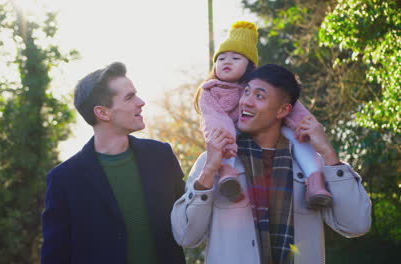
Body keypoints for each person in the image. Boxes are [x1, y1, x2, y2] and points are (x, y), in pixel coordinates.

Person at [171, 64, 371, 263]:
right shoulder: (214, 162)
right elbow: (186, 236)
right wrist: (207, 173)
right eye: (246, 92)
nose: (246, 102)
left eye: (259, 96)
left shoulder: (312, 168)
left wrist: (328, 153)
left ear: (283, 110)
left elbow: (356, 225)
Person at [41, 62, 186, 264]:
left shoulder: (161, 156)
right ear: (103, 113)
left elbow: (189, 218)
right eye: (129, 97)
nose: (141, 102)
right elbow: (55, 256)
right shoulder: (64, 179)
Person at [194, 21, 332, 207]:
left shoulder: (257, 83)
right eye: (221, 58)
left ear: (250, 66)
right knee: (224, 138)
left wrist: (306, 126)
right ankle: (228, 174)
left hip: (262, 129)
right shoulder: (210, 91)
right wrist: (227, 140)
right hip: (227, 134)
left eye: (236, 58)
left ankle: (315, 182)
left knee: (298, 138)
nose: (227, 61)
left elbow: (291, 106)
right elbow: (215, 119)